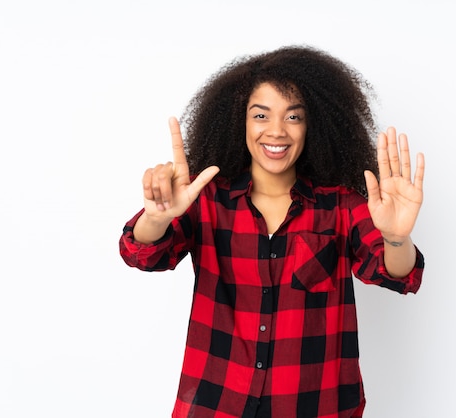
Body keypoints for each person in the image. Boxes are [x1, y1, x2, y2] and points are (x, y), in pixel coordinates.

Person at [119, 45, 425, 418]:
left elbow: (397, 273)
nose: (276, 131)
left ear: (313, 124)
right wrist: (158, 217)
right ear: (239, 121)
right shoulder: (206, 199)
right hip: (218, 403)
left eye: (293, 117)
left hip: (314, 406)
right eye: (261, 115)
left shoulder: (341, 206)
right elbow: (142, 253)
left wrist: (396, 237)